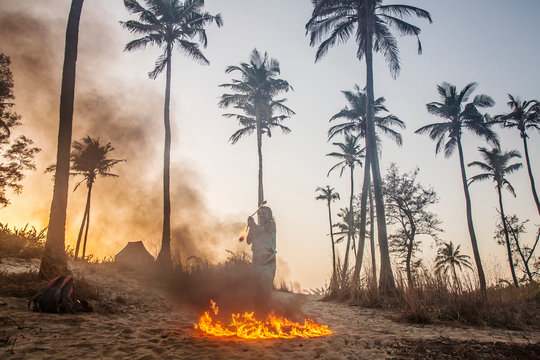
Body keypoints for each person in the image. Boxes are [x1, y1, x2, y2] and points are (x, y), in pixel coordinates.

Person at [246, 205, 276, 292]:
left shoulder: (271, 224)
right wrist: (251, 227)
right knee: (256, 286)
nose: (261, 215)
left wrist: (253, 225)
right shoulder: (256, 227)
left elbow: (265, 234)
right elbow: (248, 241)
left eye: (264, 213)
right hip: (256, 261)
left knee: (266, 286)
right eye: (259, 214)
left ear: (269, 215)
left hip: (268, 261)